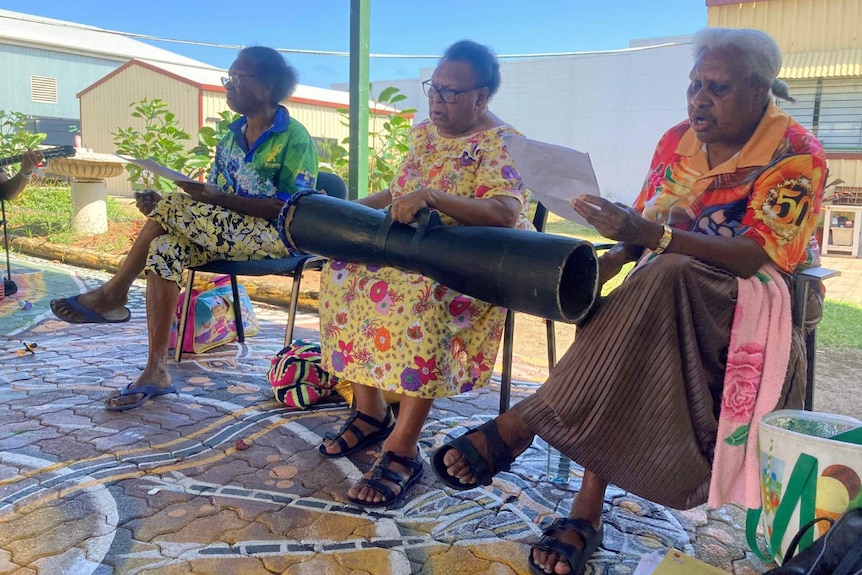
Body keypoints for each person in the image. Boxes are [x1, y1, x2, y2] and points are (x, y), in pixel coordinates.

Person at [431, 28, 826, 575]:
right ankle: (580, 504)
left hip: (749, 293)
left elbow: (755, 255)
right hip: (662, 282)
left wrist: (654, 242)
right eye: (693, 85)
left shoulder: (796, 153)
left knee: (663, 279)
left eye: (717, 87)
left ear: (762, 89)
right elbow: (647, 225)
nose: (698, 100)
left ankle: (526, 428)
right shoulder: (677, 139)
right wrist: (613, 255)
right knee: (611, 304)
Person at [316, 40, 533, 508]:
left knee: (418, 296)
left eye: (451, 93)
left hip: (464, 268)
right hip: (410, 256)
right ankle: (370, 412)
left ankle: (403, 447)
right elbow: (398, 194)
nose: (437, 100)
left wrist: (434, 197)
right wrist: (343, 212)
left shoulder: (504, 143)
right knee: (342, 272)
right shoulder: (423, 135)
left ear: (483, 96)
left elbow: (504, 212)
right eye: (433, 89)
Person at [50, 46, 318, 411]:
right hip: (227, 233)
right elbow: (214, 199)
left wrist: (205, 200)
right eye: (229, 78)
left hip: (277, 238)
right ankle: (156, 370)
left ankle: (114, 294)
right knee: (165, 248)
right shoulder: (231, 137)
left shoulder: (294, 138)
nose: (229, 85)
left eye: (239, 78)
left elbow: (290, 210)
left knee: (172, 209)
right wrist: (189, 197)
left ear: (268, 87)